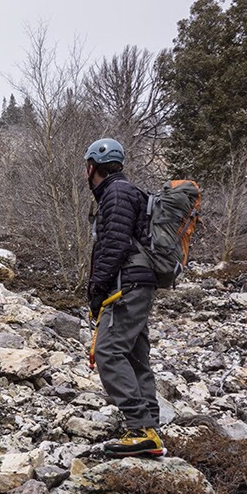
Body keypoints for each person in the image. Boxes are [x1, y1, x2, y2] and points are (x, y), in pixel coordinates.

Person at [84, 138, 165, 458]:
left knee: (108, 352)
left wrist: (96, 289)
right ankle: (150, 427)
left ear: (93, 168)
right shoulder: (129, 192)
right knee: (134, 353)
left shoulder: (115, 195)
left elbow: (113, 246)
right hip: (139, 285)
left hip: (125, 286)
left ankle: (139, 427)